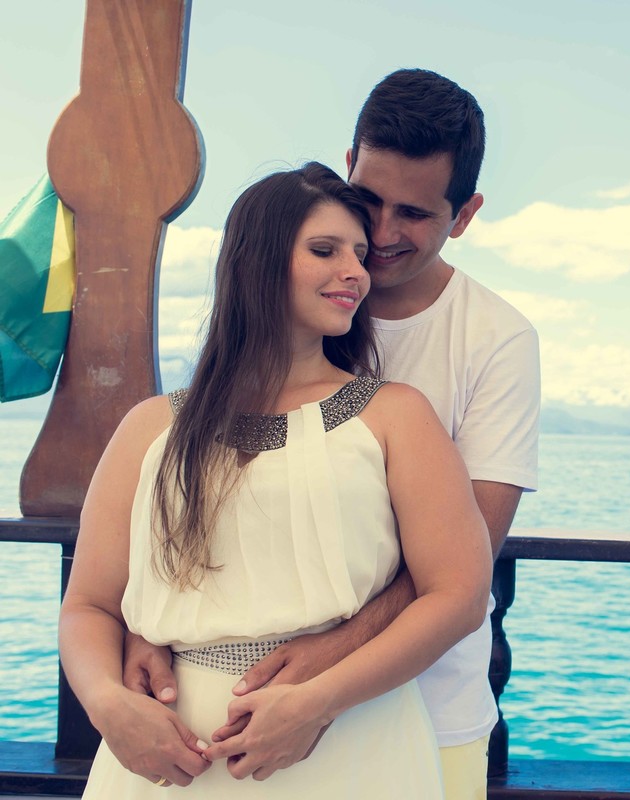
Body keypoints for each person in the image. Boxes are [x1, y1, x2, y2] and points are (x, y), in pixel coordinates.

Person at [123, 69, 541, 798]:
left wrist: (325, 667)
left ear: (465, 214)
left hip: (428, 709)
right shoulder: (295, 306)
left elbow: (468, 555)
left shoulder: (495, 339)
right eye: (369, 200)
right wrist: (150, 627)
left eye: (413, 213)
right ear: (349, 164)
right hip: (234, 721)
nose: (380, 235)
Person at [60, 162, 493, 797]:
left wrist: (318, 702)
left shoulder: (396, 416)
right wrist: (108, 706)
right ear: (255, 262)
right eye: (325, 250)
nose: (356, 271)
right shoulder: (151, 428)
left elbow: (459, 593)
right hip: (169, 761)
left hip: (351, 745)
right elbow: (89, 605)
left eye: (359, 255)